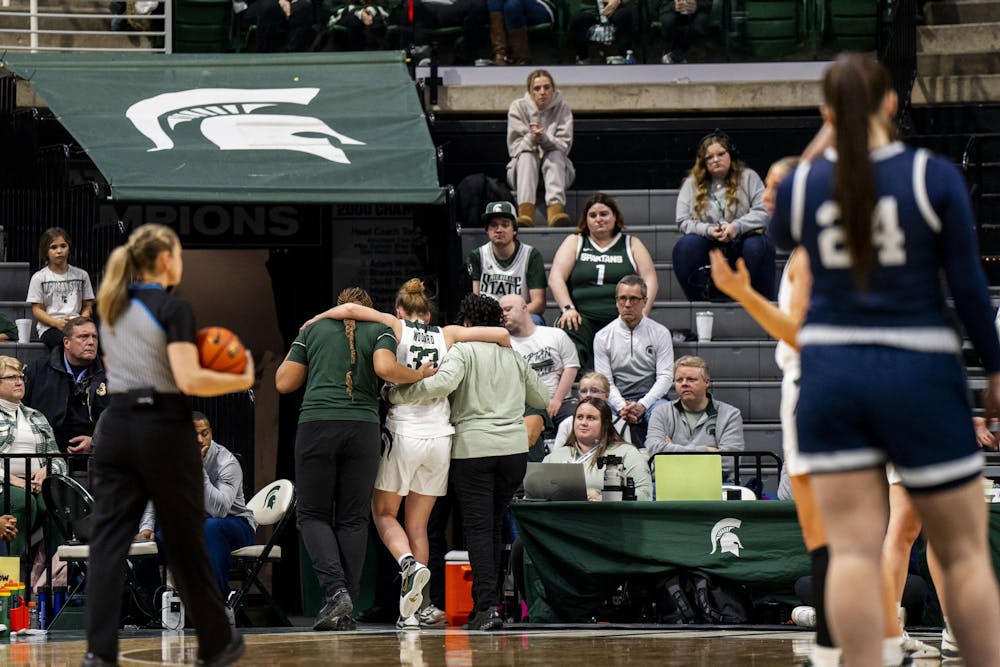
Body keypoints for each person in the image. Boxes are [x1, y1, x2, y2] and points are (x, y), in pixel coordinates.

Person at [768, 53, 1000, 667]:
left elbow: (780, 227)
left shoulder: (805, 185)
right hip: (919, 369)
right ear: (892, 104)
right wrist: (996, 369)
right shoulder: (933, 174)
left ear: (825, 114)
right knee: (963, 551)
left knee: (849, 552)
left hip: (832, 376)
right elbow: (970, 290)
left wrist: (829, 130)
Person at [712, 156, 940, 665]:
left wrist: (742, 293)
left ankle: (852, 640)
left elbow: (808, 336)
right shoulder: (825, 247)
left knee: (841, 536)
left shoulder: (820, 252)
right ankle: (870, 635)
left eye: (774, 187)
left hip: (825, 389)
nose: (764, 196)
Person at [83, 223, 253, 667]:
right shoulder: (172, 307)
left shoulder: (109, 307)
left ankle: (98, 653)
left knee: (107, 543)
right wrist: (239, 375)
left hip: (115, 424)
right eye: (177, 253)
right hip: (161, 424)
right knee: (184, 540)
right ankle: (216, 643)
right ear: (163, 260)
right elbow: (188, 378)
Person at [299, 278, 510, 629]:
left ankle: (408, 564)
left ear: (400, 311)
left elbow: (351, 310)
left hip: (404, 432)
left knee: (383, 515)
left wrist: (314, 319)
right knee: (419, 524)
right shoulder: (449, 333)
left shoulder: (393, 326)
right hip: (441, 436)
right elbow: (501, 337)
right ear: (428, 314)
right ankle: (415, 611)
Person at [388, 294, 549, 632]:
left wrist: (396, 394)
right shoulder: (514, 355)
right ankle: (492, 605)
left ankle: (487, 607)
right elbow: (542, 399)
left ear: (466, 324)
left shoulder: (463, 350)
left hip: (474, 450)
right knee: (493, 528)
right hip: (513, 452)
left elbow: (441, 385)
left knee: (478, 529)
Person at [276, 286, 432, 632]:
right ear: (368, 308)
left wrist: (304, 345)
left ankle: (335, 591)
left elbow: (284, 382)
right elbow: (386, 369)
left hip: (317, 424)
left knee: (312, 514)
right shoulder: (381, 330)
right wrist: (419, 374)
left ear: (338, 306)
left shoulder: (313, 330)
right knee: (354, 519)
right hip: (362, 427)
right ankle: (346, 606)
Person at [137, 412, 256, 602]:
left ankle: (218, 601)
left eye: (205, 433)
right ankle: (159, 611)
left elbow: (220, 510)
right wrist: (146, 528)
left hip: (235, 523)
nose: (200, 440)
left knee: (210, 528)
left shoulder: (227, 463)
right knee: (145, 550)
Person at [548, 193, 658, 370]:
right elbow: (556, 277)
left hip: (620, 315)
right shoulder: (575, 241)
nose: (598, 219)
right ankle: (574, 383)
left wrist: (643, 312)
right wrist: (568, 308)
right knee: (569, 325)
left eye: (604, 214)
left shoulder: (631, 243)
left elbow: (650, 278)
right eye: (592, 215)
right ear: (586, 220)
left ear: (615, 216)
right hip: (582, 316)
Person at [672, 131, 774, 301]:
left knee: (757, 246)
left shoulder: (749, 177)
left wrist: (736, 226)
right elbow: (683, 221)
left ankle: (755, 301)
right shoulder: (691, 183)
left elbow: (763, 211)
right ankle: (700, 302)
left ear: (731, 155)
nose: (715, 160)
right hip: (709, 240)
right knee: (686, 247)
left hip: (743, 236)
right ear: (703, 162)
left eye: (721, 154)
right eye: (709, 157)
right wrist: (709, 230)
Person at [0, 355, 66, 558]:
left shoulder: (36, 416)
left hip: (37, 484)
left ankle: (56, 578)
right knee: (21, 501)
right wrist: (12, 480)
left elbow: (58, 459)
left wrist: (48, 470)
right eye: (11, 377)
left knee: (57, 502)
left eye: (21, 376)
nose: (19, 381)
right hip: (4, 484)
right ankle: (11, 579)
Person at [23, 317, 108, 468]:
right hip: (46, 459)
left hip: (97, 459)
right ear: (66, 342)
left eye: (94, 337)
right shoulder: (37, 371)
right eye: (83, 336)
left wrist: (95, 442)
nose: (91, 342)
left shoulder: (110, 374)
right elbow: (21, 413)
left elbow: (124, 418)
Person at [593, 275, 673, 434]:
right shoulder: (602, 336)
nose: (627, 304)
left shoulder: (660, 333)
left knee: (665, 414)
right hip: (615, 400)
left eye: (634, 299)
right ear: (616, 301)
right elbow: (605, 381)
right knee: (594, 413)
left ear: (644, 301)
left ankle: (660, 458)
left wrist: (643, 405)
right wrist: (622, 406)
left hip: (651, 399)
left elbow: (666, 376)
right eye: (622, 299)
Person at [644, 355, 744, 479]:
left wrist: (671, 449)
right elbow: (654, 451)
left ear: (707, 382)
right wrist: (708, 451)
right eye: (679, 380)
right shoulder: (661, 412)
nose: (684, 384)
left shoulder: (730, 414)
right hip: (670, 482)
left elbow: (729, 461)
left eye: (691, 379)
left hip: (718, 484)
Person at [500, 293, 580, 435]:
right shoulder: (504, 345)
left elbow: (571, 366)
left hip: (561, 401)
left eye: (508, 309)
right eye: (501, 311)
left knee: (578, 420)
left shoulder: (555, 335)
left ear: (525, 308)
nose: (503, 314)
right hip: (526, 407)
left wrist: (556, 400)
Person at [544, 398, 651, 500]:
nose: (583, 423)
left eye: (591, 418)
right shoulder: (555, 456)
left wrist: (605, 499)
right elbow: (536, 495)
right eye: (579, 417)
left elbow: (645, 494)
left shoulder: (627, 453)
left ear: (605, 424)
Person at [506, 70, 575, 227]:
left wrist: (544, 138)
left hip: (557, 173)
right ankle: (525, 214)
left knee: (555, 155)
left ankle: (556, 212)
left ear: (553, 89)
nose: (542, 92)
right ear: (530, 92)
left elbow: (564, 146)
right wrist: (532, 138)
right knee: (526, 156)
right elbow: (515, 149)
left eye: (546, 87)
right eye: (537, 89)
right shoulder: (518, 107)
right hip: (523, 173)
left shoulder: (562, 108)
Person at [468, 201, 547, 325]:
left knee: (535, 320)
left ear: (514, 230)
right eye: (493, 225)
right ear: (487, 230)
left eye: (505, 225)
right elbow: (475, 298)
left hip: (519, 316)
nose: (499, 230)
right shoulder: (477, 255)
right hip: (488, 317)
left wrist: (510, 315)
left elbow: (539, 304)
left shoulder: (531, 255)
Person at [26, 227, 95, 349]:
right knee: (66, 344)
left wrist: (80, 322)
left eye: (63, 246)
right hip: (50, 327)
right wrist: (57, 323)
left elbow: (87, 306)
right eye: (53, 247)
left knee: (93, 343)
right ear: (46, 251)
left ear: (69, 249)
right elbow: (37, 310)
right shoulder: (39, 277)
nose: (59, 251)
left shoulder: (82, 275)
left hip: (78, 325)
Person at [551, 371, 632, 449]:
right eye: (583, 391)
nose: (588, 395)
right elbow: (556, 459)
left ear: (607, 395)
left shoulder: (620, 424)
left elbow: (628, 458)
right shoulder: (567, 424)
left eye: (594, 391)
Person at [487, 0, 555, 65]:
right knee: (497, 1)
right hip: (509, 6)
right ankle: (501, 55)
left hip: (540, 6)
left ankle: (521, 59)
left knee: (512, 5)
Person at [569, 0, 636, 65]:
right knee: (580, 19)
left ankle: (625, 58)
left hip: (618, 9)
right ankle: (583, 59)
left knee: (624, 16)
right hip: (590, 11)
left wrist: (619, 1)